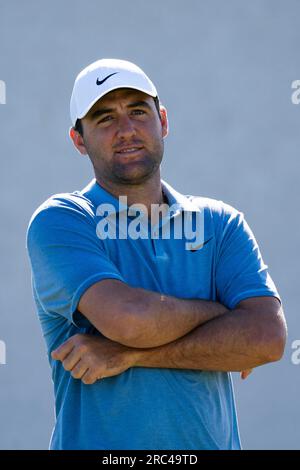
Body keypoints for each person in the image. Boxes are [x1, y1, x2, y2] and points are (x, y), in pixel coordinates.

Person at [26, 58, 287, 450]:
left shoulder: (221, 223)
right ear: (79, 140)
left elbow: (267, 339)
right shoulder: (63, 220)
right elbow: (130, 320)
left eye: (137, 111)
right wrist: (224, 316)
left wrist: (126, 355)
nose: (126, 130)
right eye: (104, 118)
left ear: (162, 121)